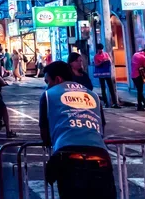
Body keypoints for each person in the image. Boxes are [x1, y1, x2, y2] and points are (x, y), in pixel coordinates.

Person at [39, 60, 114, 199]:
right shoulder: (92, 95)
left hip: (67, 156)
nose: (47, 86)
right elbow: (101, 128)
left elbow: (45, 133)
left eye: (47, 82)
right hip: (100, 155)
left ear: (58, 79)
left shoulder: (48, 95)